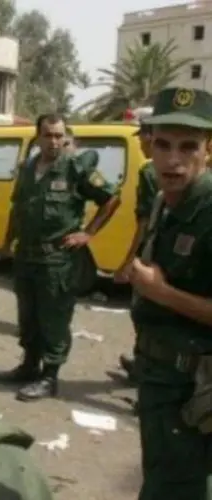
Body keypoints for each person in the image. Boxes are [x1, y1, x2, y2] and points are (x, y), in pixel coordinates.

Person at [0, 114, 121, 402]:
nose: (54, 142)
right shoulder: (28, 168)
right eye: (48, 135)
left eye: (59, 135)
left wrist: (88, 233)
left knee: (54, 319)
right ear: (38, 137)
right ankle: (29, 366)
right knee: (28, 316)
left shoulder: (75, 167)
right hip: (26, 257)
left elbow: (111, 199)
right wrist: (6, 242)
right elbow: (18, 209)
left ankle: (49, 377)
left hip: (57, 260)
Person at [127, 86, 212, 499]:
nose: (173, 160)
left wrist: (161, 293)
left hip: (193, 391)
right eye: (162, 145)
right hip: (160, 379)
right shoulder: (166, 199)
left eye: (188, 147)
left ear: (208, 149)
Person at [114, 120, 157, 382]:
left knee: (143, 312)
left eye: (142, 138)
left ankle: (145, 370)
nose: (140, 143)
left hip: (152, 252)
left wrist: (128, 260)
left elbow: (145, 221)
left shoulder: (150, 172)